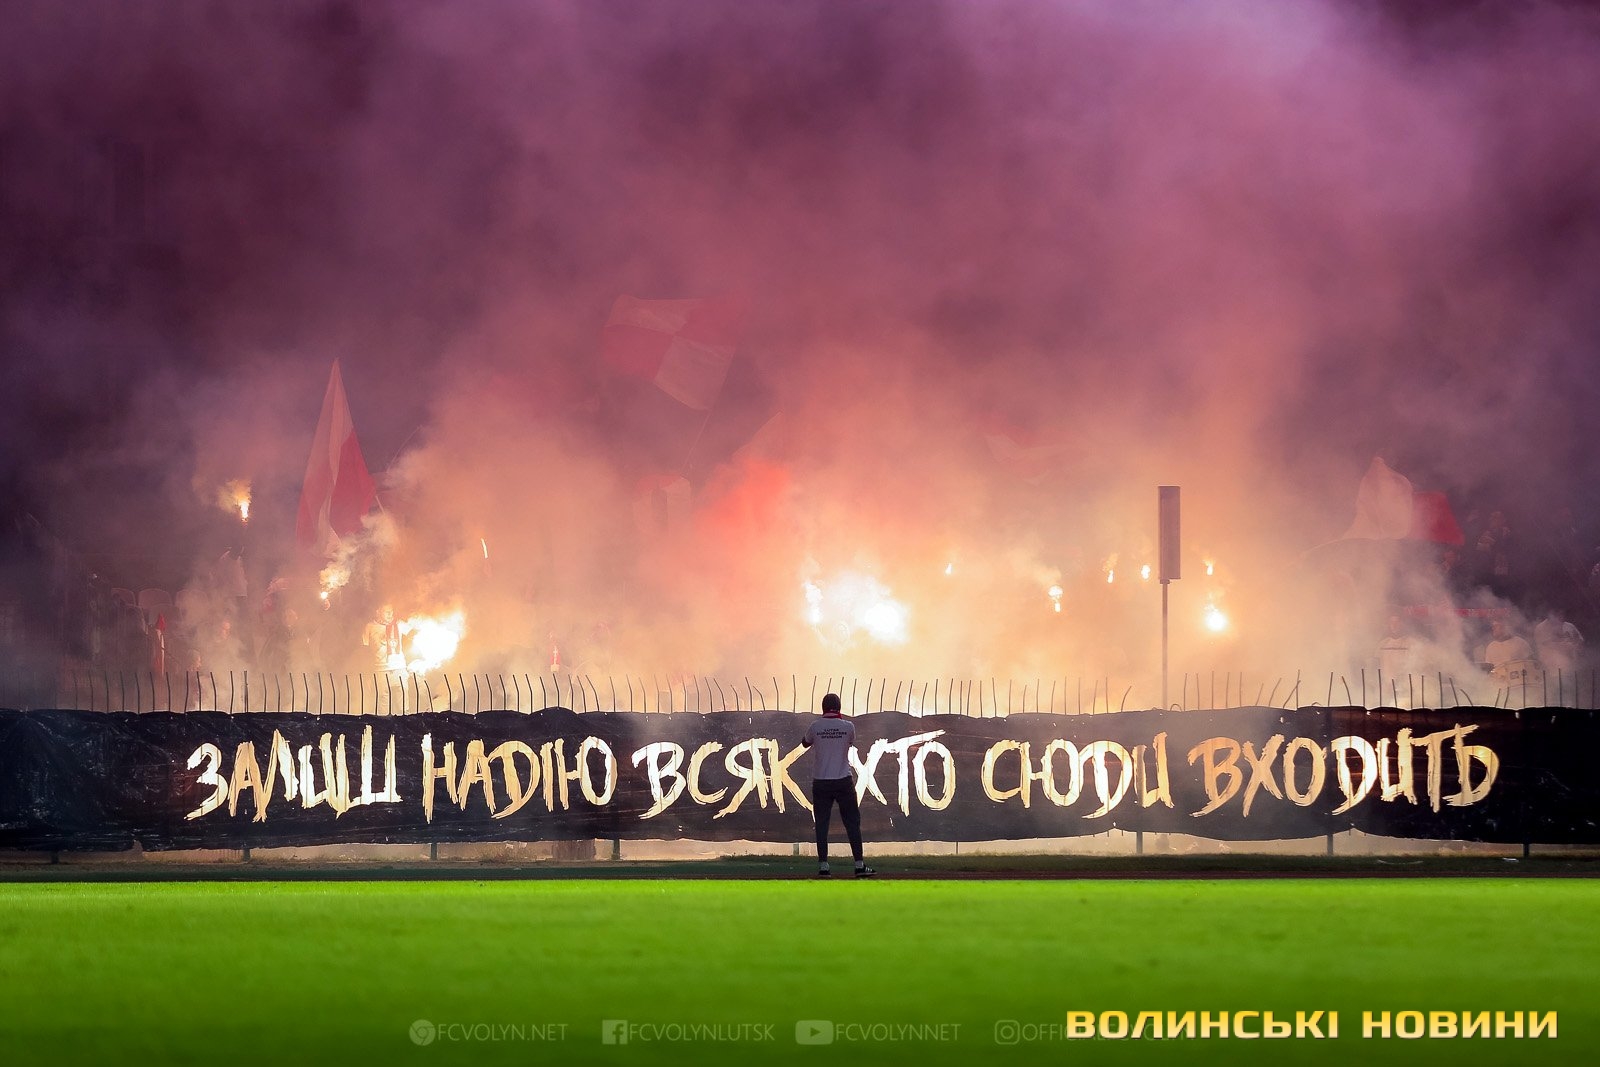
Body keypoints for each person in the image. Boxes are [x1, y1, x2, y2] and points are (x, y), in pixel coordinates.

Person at [801, 693, 874, 878]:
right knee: (852, 822)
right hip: (843, 780)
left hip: (821, 781)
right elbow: (850, 741)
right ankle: (859, 865)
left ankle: (823, 866)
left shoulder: (815, 726)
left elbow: (804, 743)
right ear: (839, 707)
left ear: (823, 707)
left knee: (822, 824)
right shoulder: (848, 726)